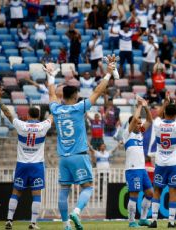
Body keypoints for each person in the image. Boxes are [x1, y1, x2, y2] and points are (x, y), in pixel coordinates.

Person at [46, 55, 118, 230]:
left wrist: (51, 76)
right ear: (76, 95)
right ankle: (77, 211)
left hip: (64, 157)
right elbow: (98, 92)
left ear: (63, 95)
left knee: (64, 191)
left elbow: (51, 94)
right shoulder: (79, 108)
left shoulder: (56, 109)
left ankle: (66, 225)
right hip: (79, 155)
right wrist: (108, 74)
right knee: (87, 187)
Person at [0, 86, 53, 230]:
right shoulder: (43, 126)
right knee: (36, 194)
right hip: (37, 165)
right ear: (38, 116)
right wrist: (54, 100)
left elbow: (8, 113)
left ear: (27, 116)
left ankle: (9, 220)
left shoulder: (21, 125)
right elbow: (53, 115)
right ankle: (33, 223)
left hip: (21, 164)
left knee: (16, 192)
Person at [149, 92, 176, 228]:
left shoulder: (157, 124)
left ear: (165, 112)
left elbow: (156, 116)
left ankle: (154, 220)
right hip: (174, 164)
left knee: (157, 190)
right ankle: (171, 221)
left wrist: (164, 104)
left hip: (160, 163)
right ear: (175, 115)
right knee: (173, 192)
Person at [123, 97, 154, 227]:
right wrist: (139, 106)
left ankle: (142, 218)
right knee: (134, 195)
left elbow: (150, 121)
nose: (140, 124)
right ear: (131, 124)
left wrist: (145, 106)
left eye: (140, 122)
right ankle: (131, 221)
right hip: (132, 169)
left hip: (141, 169)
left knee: (150, 193)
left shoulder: (140, 133)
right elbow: (135, 118)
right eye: (137, 122)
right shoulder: (127, 134)